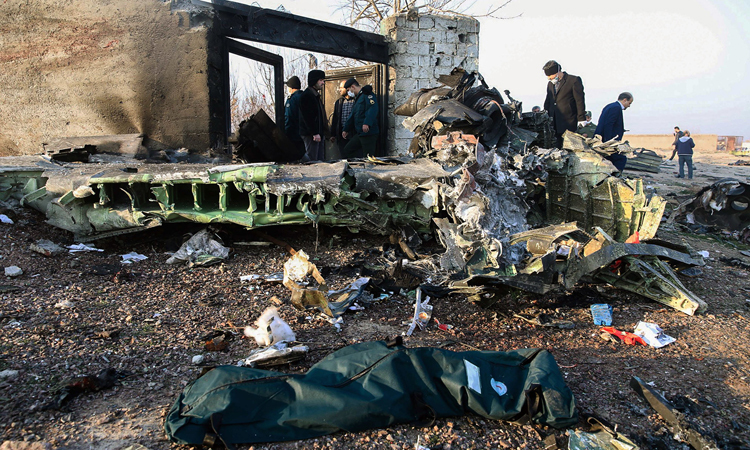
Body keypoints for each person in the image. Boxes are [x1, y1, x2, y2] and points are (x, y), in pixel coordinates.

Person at [542, 60, 586, 148]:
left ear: (558, 72)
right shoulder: (550, 84)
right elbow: (548, 100)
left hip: (568, 121)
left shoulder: (573, 80)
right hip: (553, 122)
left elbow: (579, 100)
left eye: (551, 76)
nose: (549, 78)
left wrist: (581, 118)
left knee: (569, 146)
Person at [595, 92, 634, 172]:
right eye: (629, 103)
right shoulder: (616, 108)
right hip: (607, 141)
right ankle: (616, 177)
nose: (629, 106)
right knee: (621, 159)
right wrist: (609, 142)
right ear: (625, 100)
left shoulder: (610, 106)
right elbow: (608, 125)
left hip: (603, 140)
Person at [341, 78, 379, 159]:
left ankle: (368, 171)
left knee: (368, 157)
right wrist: (346, 129)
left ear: (353, 87)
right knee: (348, 150)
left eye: (348, 90)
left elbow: (372, 108)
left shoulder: (367, 94)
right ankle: (356, 168)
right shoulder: (358, 98)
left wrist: (367, 123)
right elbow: (353, 115)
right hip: (360, 133)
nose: (348, 92)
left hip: (369, 132)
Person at [299, 69, 328, 161]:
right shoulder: (307, 96)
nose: (323, 83)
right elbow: (308, 117)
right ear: (314, 81)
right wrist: (315, 132)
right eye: (320, 80)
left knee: (318, 160)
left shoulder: (314, 96)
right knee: (312, 160)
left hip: (316, 134)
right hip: (311, 135)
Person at [330, 79, 355, 157]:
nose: (339, 90)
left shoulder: (355, 100)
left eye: (341, 88)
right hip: (341, 135)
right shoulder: (339, 102)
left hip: (353, 133)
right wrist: (333, 134)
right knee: (343, 156)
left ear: (347, 88)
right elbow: (335, 118)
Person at [283, 76, 305, 159]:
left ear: (291, 87)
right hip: (306, 133)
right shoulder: (305, 96)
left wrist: (285, 132)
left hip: (294, 135)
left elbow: (289, 116)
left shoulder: (292, 99)